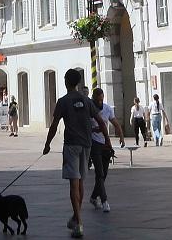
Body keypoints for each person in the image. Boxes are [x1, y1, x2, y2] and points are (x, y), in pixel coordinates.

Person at [43, 68, 108, 238]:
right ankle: (76, 217)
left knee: (74, 183)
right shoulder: (86, 101)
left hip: (71, 145)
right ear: (78, 82)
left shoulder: (63, 101)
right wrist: (107, 140)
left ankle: (79, 223)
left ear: (66, 81)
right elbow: (101, 122)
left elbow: (55, 124)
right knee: (80, 182)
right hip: (86, 145)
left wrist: (47, 144)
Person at [88, 85, 115, 214]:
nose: (100, 102)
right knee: (99, 172)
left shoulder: (106, 108)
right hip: (93, 144)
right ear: (93, 98)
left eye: (101, 100)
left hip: (104, 143)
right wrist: (94, 130)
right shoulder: (89, 108)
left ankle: (93, 197)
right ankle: (104, 200)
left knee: (104, 173)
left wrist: (112, 141)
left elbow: (105, 126)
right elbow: (85, 127)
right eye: (97, 100)